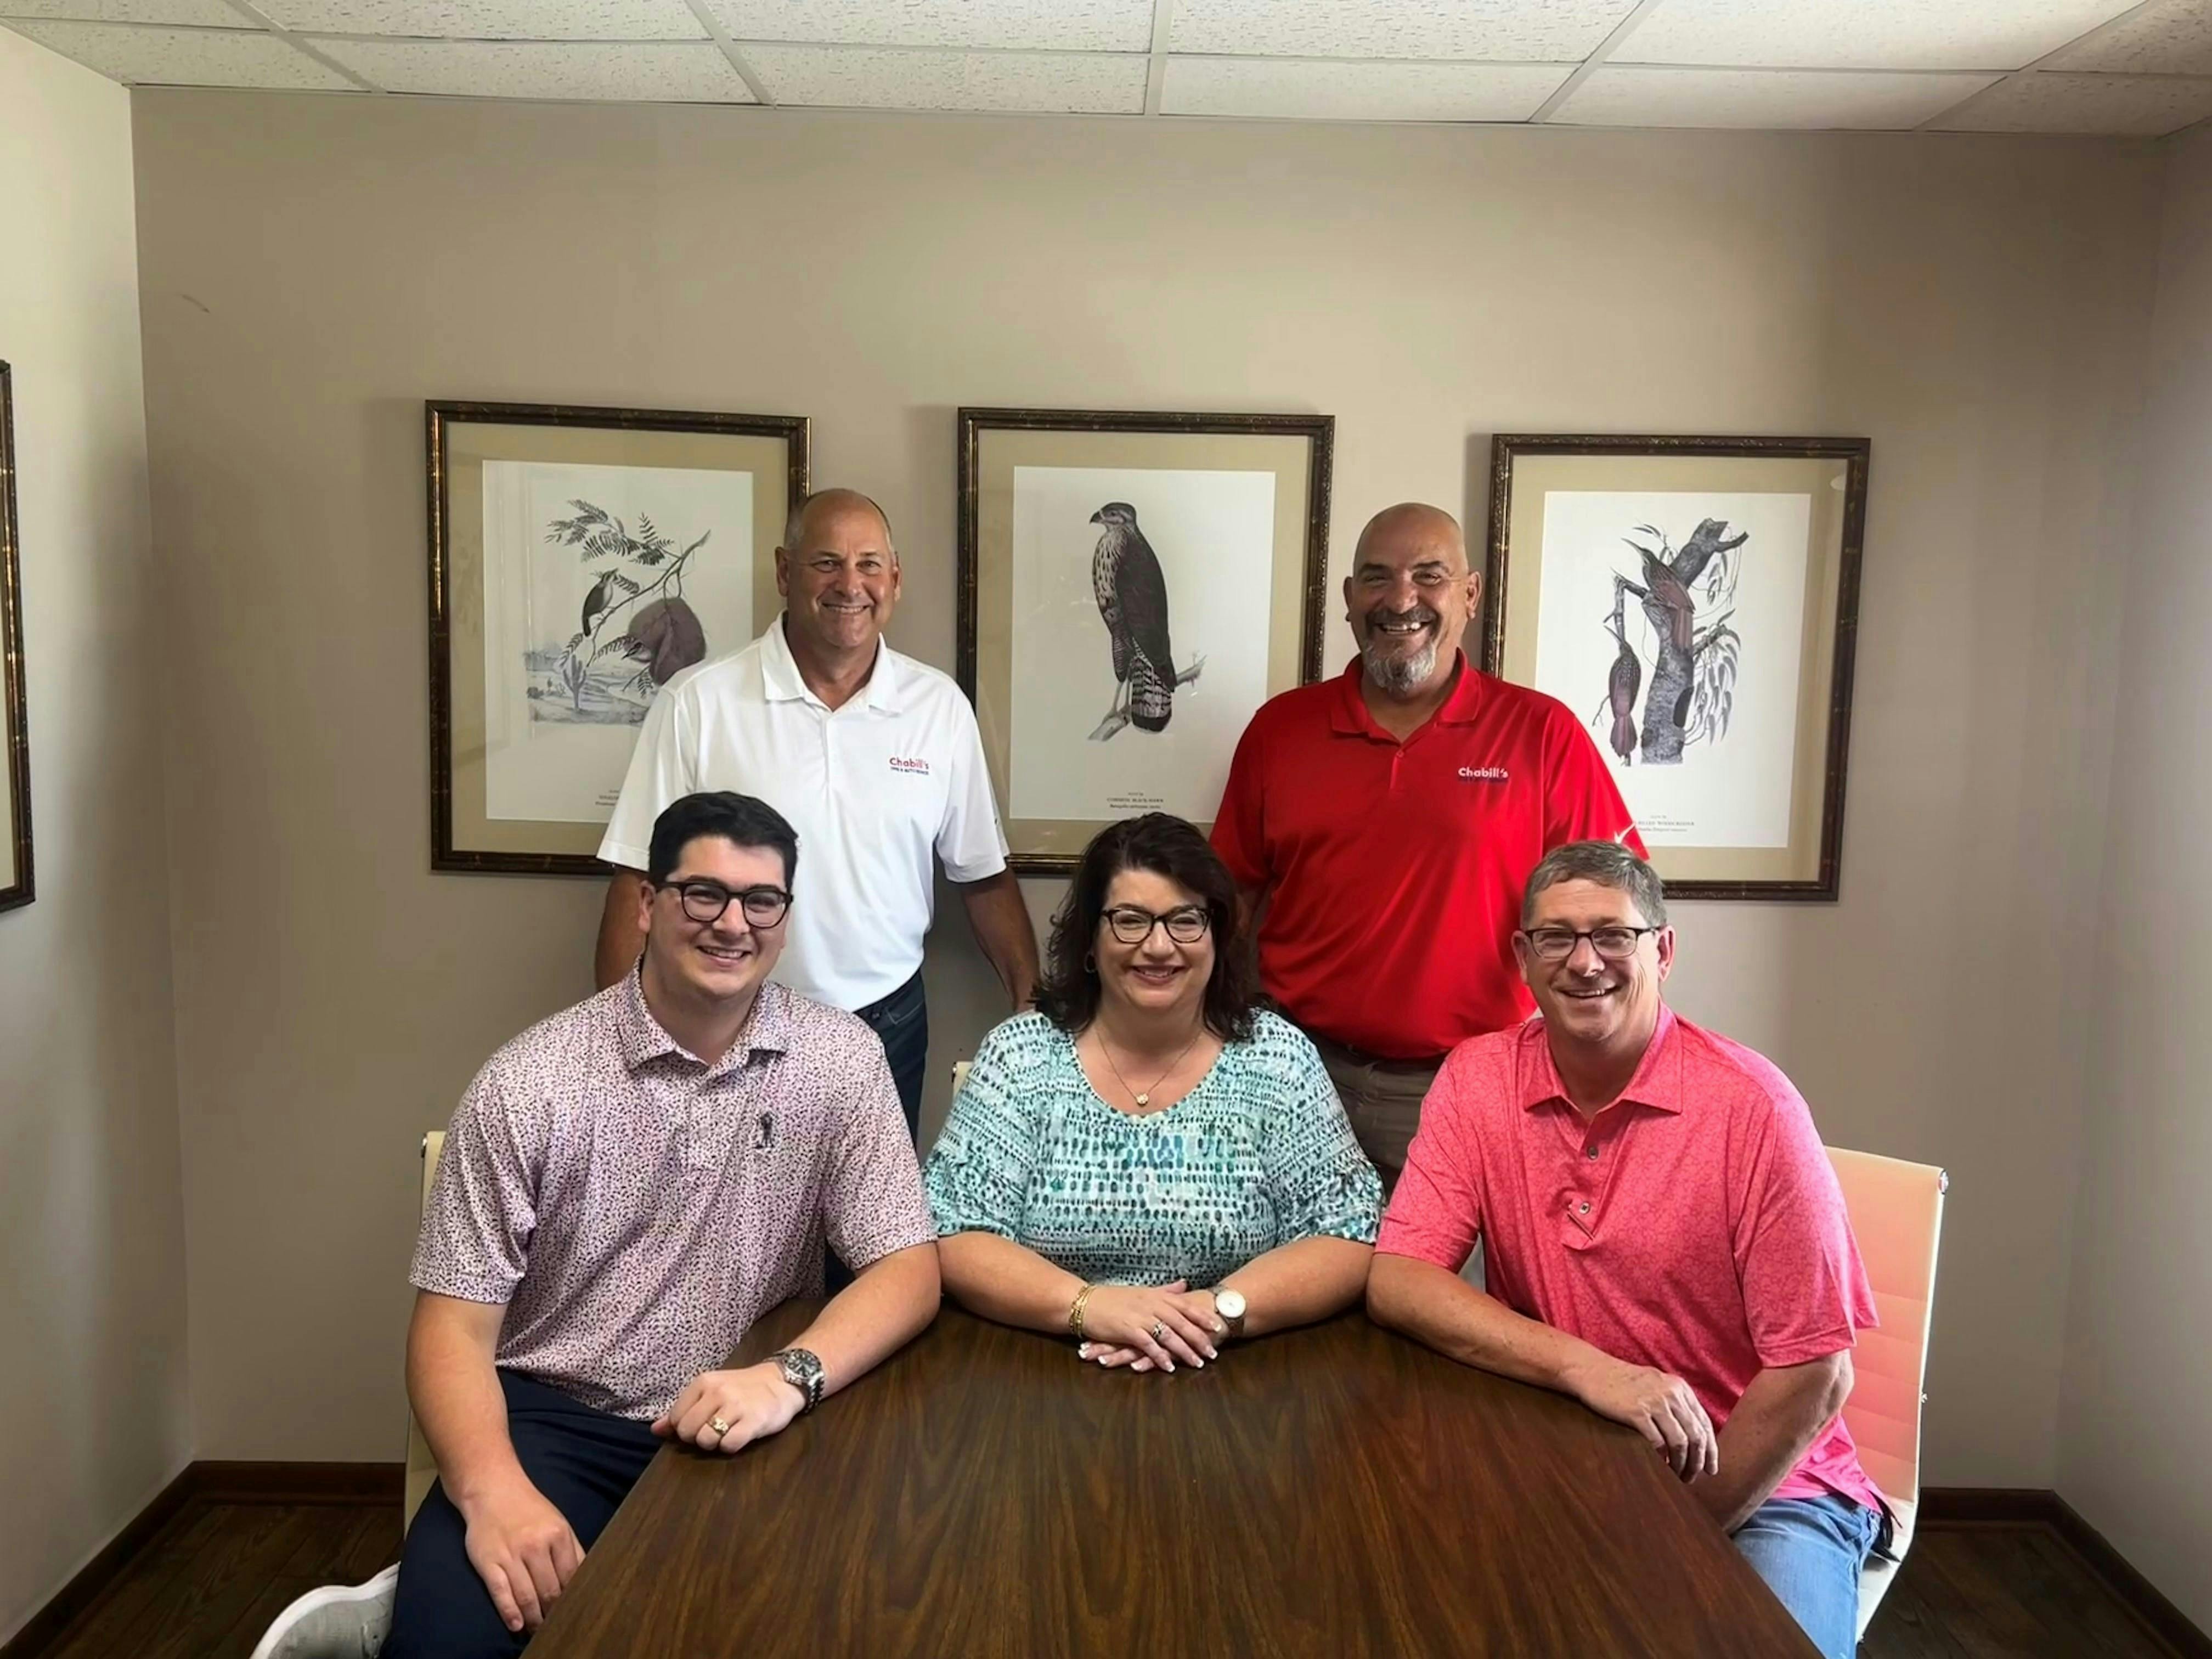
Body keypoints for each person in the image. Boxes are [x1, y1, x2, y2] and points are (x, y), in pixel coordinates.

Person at [377, 792, 940, 1658]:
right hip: (554, 1427)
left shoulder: (841, 1062)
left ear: (785, 919)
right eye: (701, 894)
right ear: (647, 904)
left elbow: (907, 1267)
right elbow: (451, 1327)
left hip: (749, 1419)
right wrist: (494, 1495)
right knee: (445, 1647)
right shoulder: (531, 1083)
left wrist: (788, 1379)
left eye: (761, 901)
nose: (733, 924)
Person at [1367, 840, 1883, 1659]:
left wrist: (1682, 1534)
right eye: (1556, 938)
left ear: (1663, 951)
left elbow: (1817, 1372)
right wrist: (1589, 1368)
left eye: (1614, 935)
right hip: (1569, 1450)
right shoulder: (1477, 1078)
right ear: (1522, 959)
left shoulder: (1754, 1110)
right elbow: (1399, 1277)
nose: (1586, 962)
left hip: (1767, 1484)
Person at [1211, 502, 1644, 1192]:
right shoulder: (1279, 731)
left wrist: (1610, 1063)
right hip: (1295, 1075)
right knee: (1295, 1290)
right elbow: (1223, 902)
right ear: (1349, 601)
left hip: (1472, 1087)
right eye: (1377, 578)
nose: (1402, 599)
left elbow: (1618, 911)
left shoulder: (1542, 734)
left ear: (1469, 594)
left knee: (1444, 1296)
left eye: (1429, 576)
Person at [593, 487, 1038, 1142]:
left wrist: (1033, 1012)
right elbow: (637, 878)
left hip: (887, 1026)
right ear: (784, 571)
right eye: (825, 563)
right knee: (729, 1239)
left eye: (868, 564)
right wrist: (614, 1050)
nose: (849, 585)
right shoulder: (699, 703)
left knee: (869, 1241)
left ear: (895, 578)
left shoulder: (938, 708)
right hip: (725, 1019)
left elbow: (982, 876)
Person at [925, 813, 1380, 1374]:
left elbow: (1348, 1232)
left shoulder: (1276, 1059)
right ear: (1090, 939)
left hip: (1233, 1368)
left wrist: (1215, 1312)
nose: (1159, 946)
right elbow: (955, 1230)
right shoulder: (1020, 1057)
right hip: (1038, 1368)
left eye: (1185, 920)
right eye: (1130, 920)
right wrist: (1090, 1307)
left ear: (1217, 935)